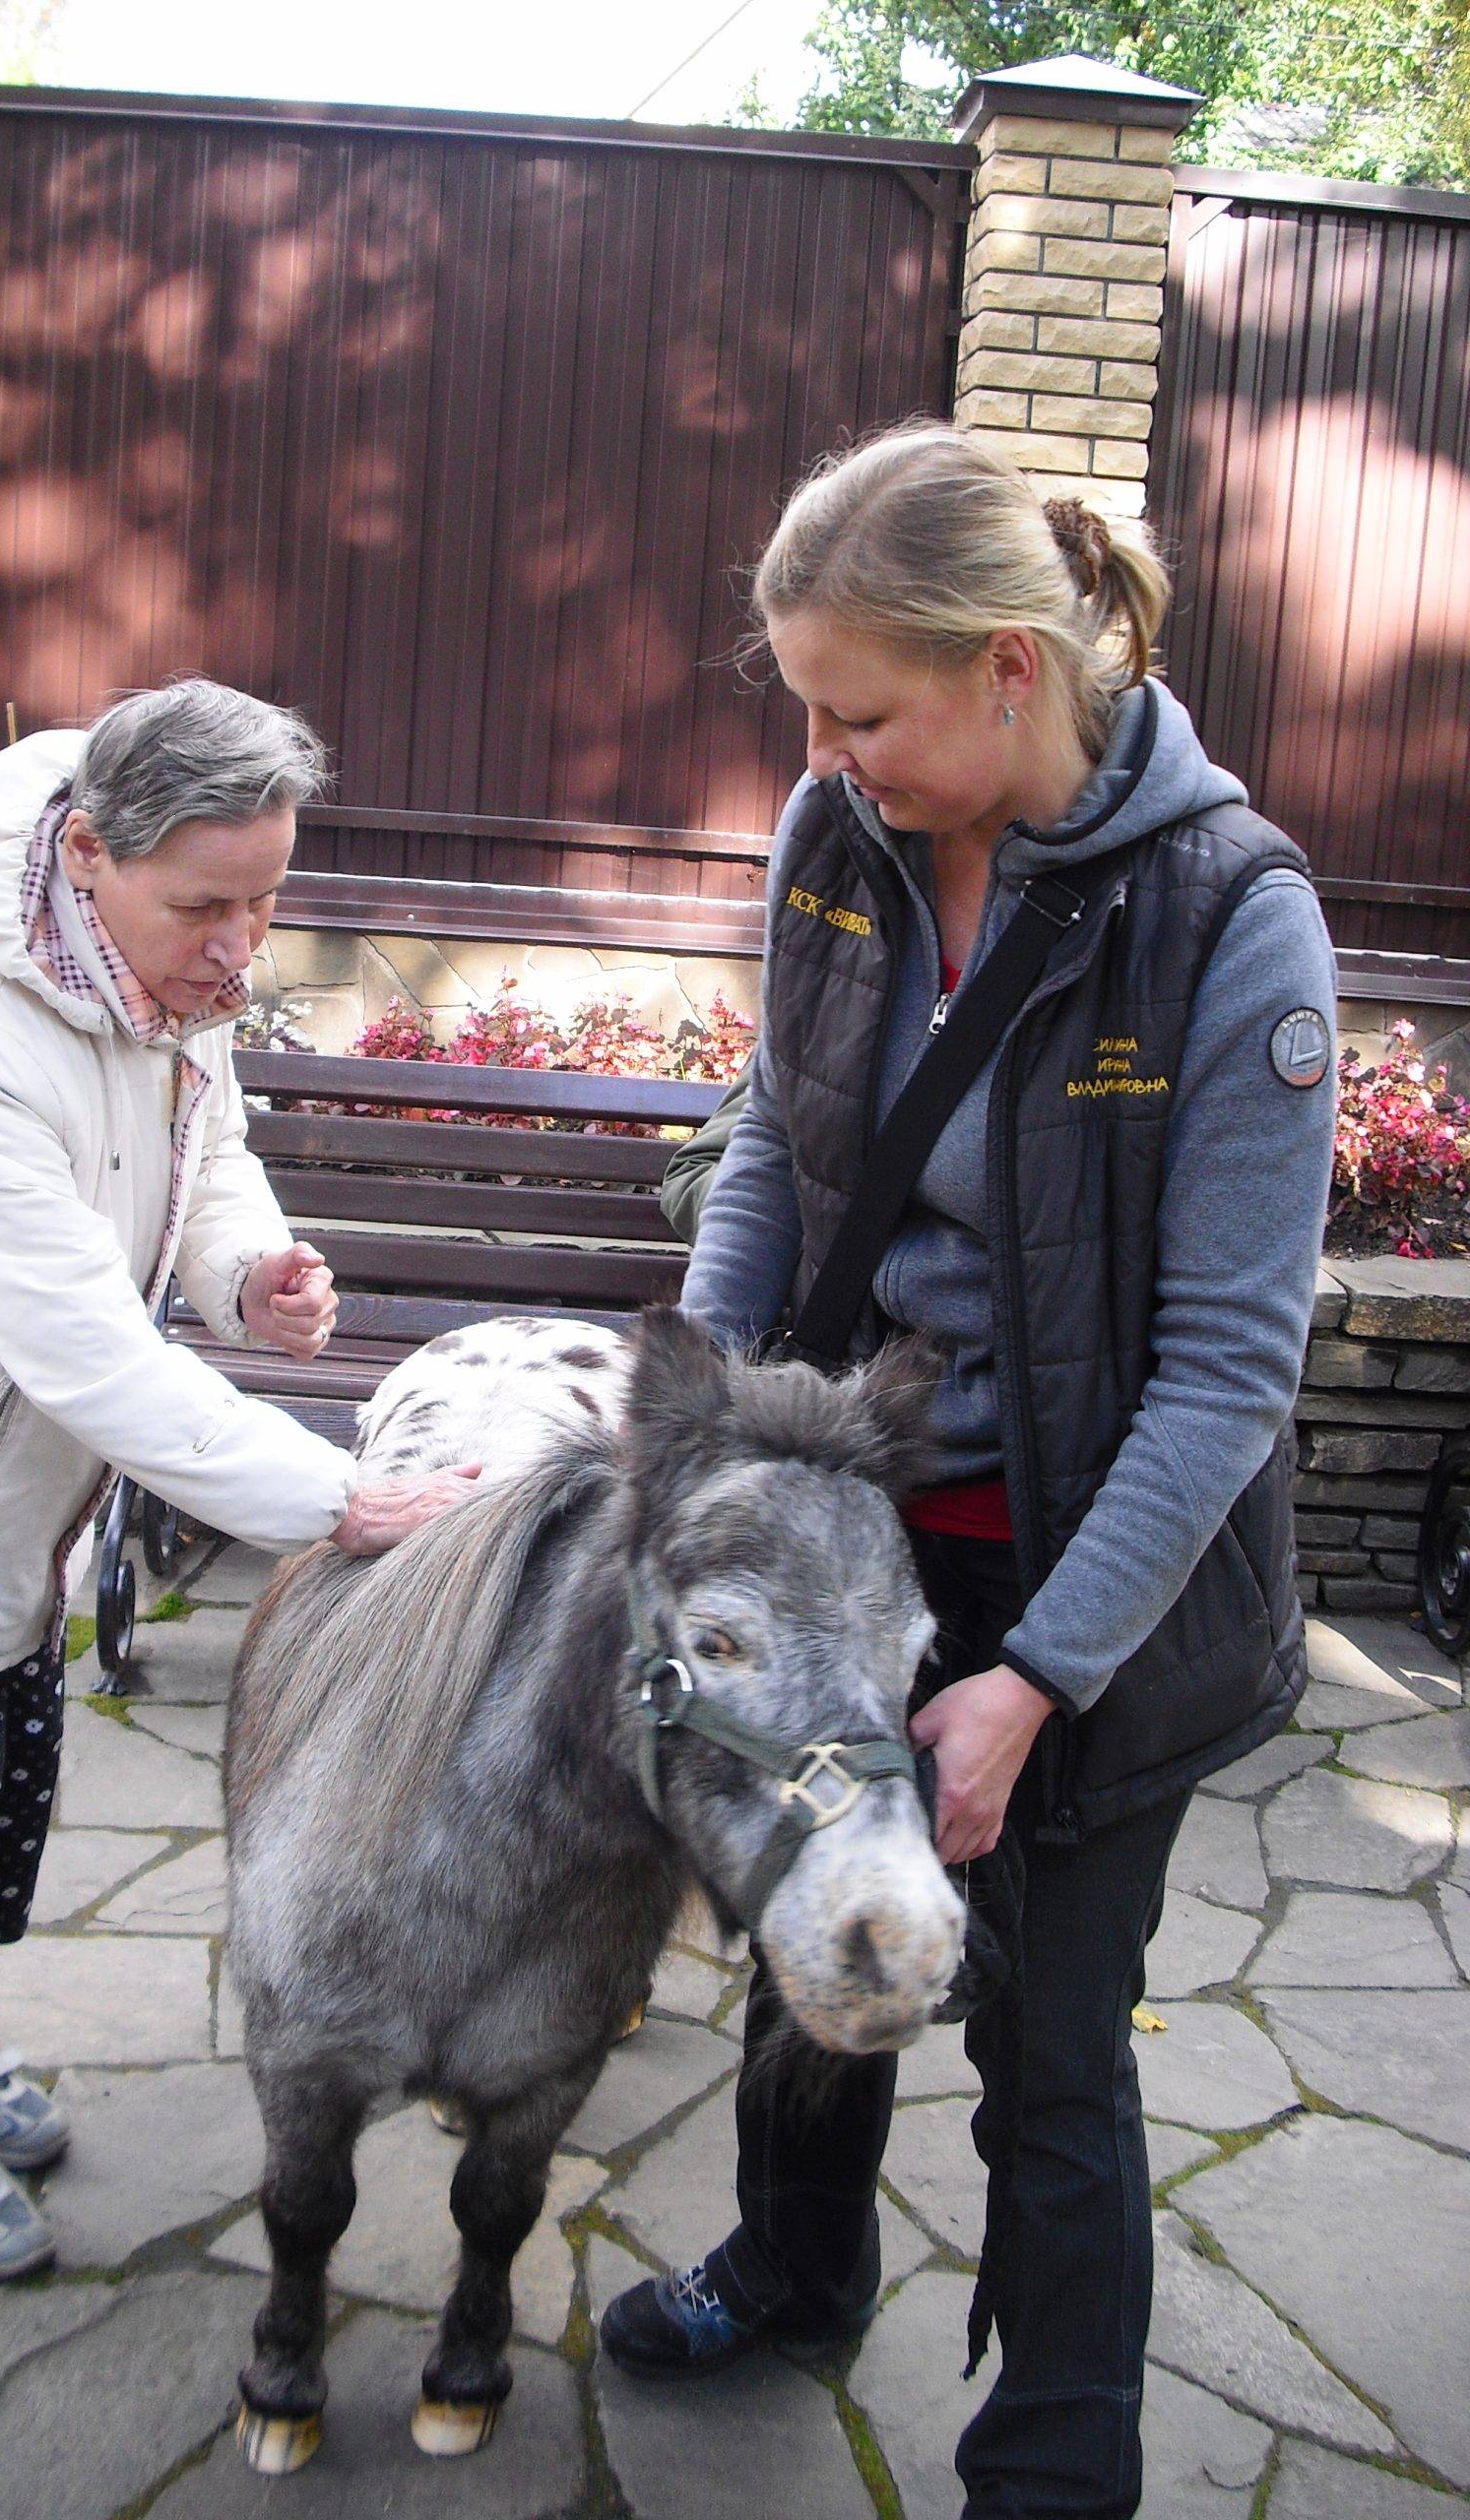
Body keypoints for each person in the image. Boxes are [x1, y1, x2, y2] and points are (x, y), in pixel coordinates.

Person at [601, 424, 1337, 2520]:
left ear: (1013, 666)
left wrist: (1038, 1676)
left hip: (1085, 1575)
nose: (826, 753)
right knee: (805, 1940)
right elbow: (777, 1146)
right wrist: (703, 1426)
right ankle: (795, 2269)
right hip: (849, 1529)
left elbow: (1224, 1366)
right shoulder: (837, 842)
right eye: (808, 708)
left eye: (863, 707)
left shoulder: (1228, 918)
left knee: (1054, 2046)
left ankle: (1051, 2461)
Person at [0, 679, 479, 2281]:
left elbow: (207, 1154)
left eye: (267, 900)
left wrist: (250, 1267)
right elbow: (81, 1354)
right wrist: (333, 1499)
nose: (239, 947)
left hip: (0, 1523)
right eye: (208, 906)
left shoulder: (149, 973)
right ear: (86, 855)